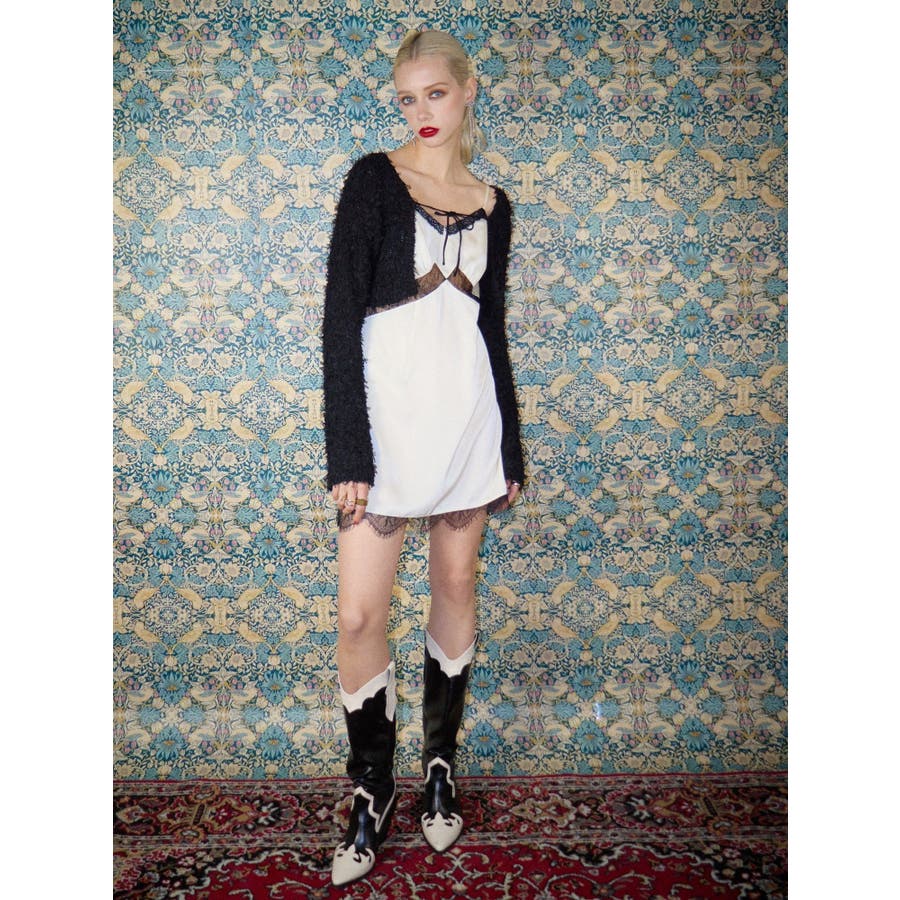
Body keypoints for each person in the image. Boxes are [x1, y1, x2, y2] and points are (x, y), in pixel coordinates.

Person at [321, 28, 525, 887]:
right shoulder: (374, 179)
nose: (421, 112)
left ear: (467, 91)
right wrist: (349, 452)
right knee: (359, 616)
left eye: (435, 93)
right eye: (407, 98)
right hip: (387, 428)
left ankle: (439, 768)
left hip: (467, 421)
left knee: (456, 587)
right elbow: (340, 320)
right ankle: (372, 788)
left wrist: (509, 444)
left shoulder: (493, 203)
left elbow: (490, 331)